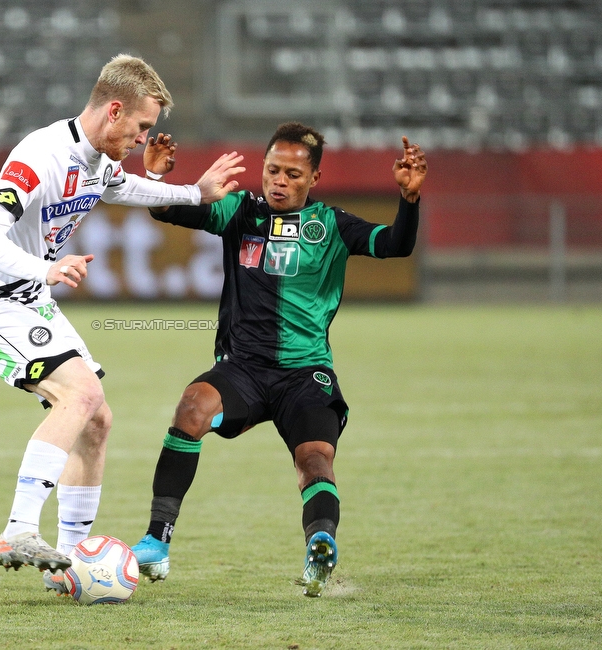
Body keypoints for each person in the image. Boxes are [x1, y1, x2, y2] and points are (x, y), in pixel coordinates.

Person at [0, 54, 244, 590]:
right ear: (113, 110)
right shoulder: (40, 156)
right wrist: (46, 267)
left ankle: (69, 563)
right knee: (78, 397)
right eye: (142, 126)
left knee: (97, 419)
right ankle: (16, 529)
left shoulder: (98, 162)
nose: (144, 138)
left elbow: (125, 188)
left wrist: (194, 194)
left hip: (28, 296)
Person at [128, 122, 427, 597]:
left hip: (305, 374)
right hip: (242, 369)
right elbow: (169, 213)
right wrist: (157, 180)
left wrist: (409, 201)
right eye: (272, 170)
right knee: (191, 408)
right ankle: (156, 541)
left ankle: (319, 547)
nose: (279, 181)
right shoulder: (239, 211)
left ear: (314, 179)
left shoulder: (331, 224)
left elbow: (396, 245)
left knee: (314, 460)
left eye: (292, 173)